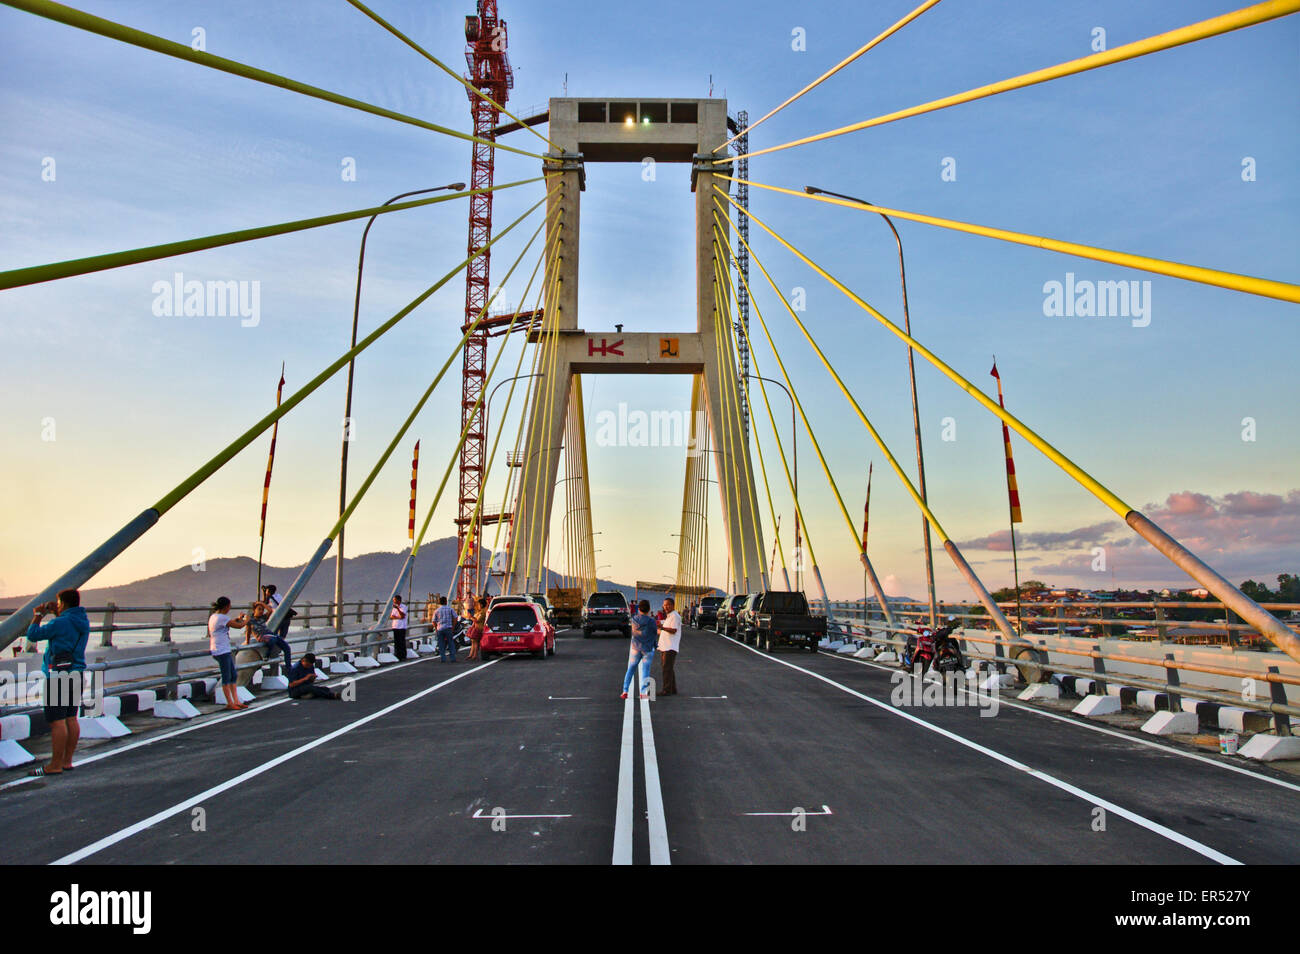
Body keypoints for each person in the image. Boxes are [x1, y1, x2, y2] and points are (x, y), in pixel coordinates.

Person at [23, 588, 90, 777]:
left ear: (64, 603)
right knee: (71, 718)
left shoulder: (59, 622)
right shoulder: (82, 620)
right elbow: (67, 626)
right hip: (77, 673)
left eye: (59, 602)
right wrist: (56, 612)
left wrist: (38, 614)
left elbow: (33, 635)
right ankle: (67, 761)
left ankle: (54, 765)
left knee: (57, 721)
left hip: (58, 676)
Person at [209, 597, 249, 710]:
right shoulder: (221, 618)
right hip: (221, 650)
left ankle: (236, 701)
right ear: (226, 606)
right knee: (227, 677)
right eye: (229, 606)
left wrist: (239, 618)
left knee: (233, 675)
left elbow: (230, 622)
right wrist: (247, 620)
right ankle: (230, 702)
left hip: (221, 649)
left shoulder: (214, 616)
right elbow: (239, 626)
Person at [622, 599, 658, 700]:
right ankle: (643, 693)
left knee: (631, 669)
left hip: (635, 648)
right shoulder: (651, 621)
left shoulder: (634, 619)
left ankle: (625, 691)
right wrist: (656, 645)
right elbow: (654, 633)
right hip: (648, 649)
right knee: (645, 671)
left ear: (639, 608)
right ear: (649, 609)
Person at [246, 600, 292, 672]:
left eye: (262, 609)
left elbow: (270, 610)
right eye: (259, 609)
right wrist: (247, 642)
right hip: (261, 636)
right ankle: (266, 655)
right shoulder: (250, 620)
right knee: (271, 641)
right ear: (254, 610)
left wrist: (261, 603)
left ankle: (289, 668)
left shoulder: (263, 617)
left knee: (287, 648)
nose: (261, 611)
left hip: (271, 634)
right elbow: (248, 632)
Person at [657, 597, 682, 696]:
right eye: (664, 605)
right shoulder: (669, 616)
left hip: (670, 646)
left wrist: (662, 627)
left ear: (672, 605)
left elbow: (674, 630)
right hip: (665, 646)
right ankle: (672, 688)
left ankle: (666, 690)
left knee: (666, 668)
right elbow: (663, 631)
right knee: (669, 668)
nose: (665, 607)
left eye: (667, 605)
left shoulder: (675, 616)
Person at [433, 596, 458, 663]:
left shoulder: (437, 610)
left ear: (439, 602)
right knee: (451, 643)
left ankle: (443, 658)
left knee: (441, 644)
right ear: (446, 602)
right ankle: (452, 658)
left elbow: (433, 621)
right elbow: (456, 618)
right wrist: (453, 626)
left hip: (440, 629)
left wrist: (436, 628)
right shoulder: (450, 609)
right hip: (448, 628)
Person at [389, 594, 409, 659]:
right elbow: (391, 616)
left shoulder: (403, 607)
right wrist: (398, 617)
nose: (394, 601)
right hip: (395, 626)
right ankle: (397, 655)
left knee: (401, 642)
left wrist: (398, 609)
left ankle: (403, 655)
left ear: (398, 600)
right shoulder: (394, 608)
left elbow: (402, 616)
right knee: (396, 642)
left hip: (402, 627)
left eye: (394, 600)